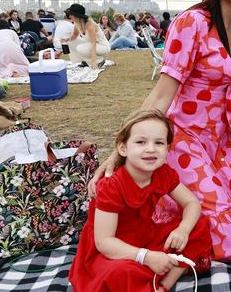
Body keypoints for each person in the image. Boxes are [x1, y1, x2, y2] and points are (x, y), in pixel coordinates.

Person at [88, 0, 231, 261]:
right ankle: (154, 242)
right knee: (229, 242)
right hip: (187, 138)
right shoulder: (192, 23)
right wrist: (120, 150)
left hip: (228, 139)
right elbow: (162, 94)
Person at [69, 110, 212, 292]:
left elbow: (191, 203)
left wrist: (182, 230)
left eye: (159, 143)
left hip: (145, 236)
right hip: (111, 249)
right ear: (123, 148)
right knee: (119, 273)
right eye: (141, 142)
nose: (151, 149)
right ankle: (160, 271)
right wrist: (146, 256)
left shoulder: (163, 173)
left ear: (168, 149)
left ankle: (164, 284)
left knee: (198, 224)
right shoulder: (111, 186)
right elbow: (104, 242)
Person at [61, 4, 111, 69]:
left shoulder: (90, 24)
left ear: (77, 15)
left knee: (80, 48)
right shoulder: (77, 23)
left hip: (102, 46)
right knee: (70, 42)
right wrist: (67, 39)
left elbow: (93, 43)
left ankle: (99, 61)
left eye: (71, 14)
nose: (70, 16)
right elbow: (75, 35)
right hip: (90, 44)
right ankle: (84, 61)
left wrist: (93, 61)